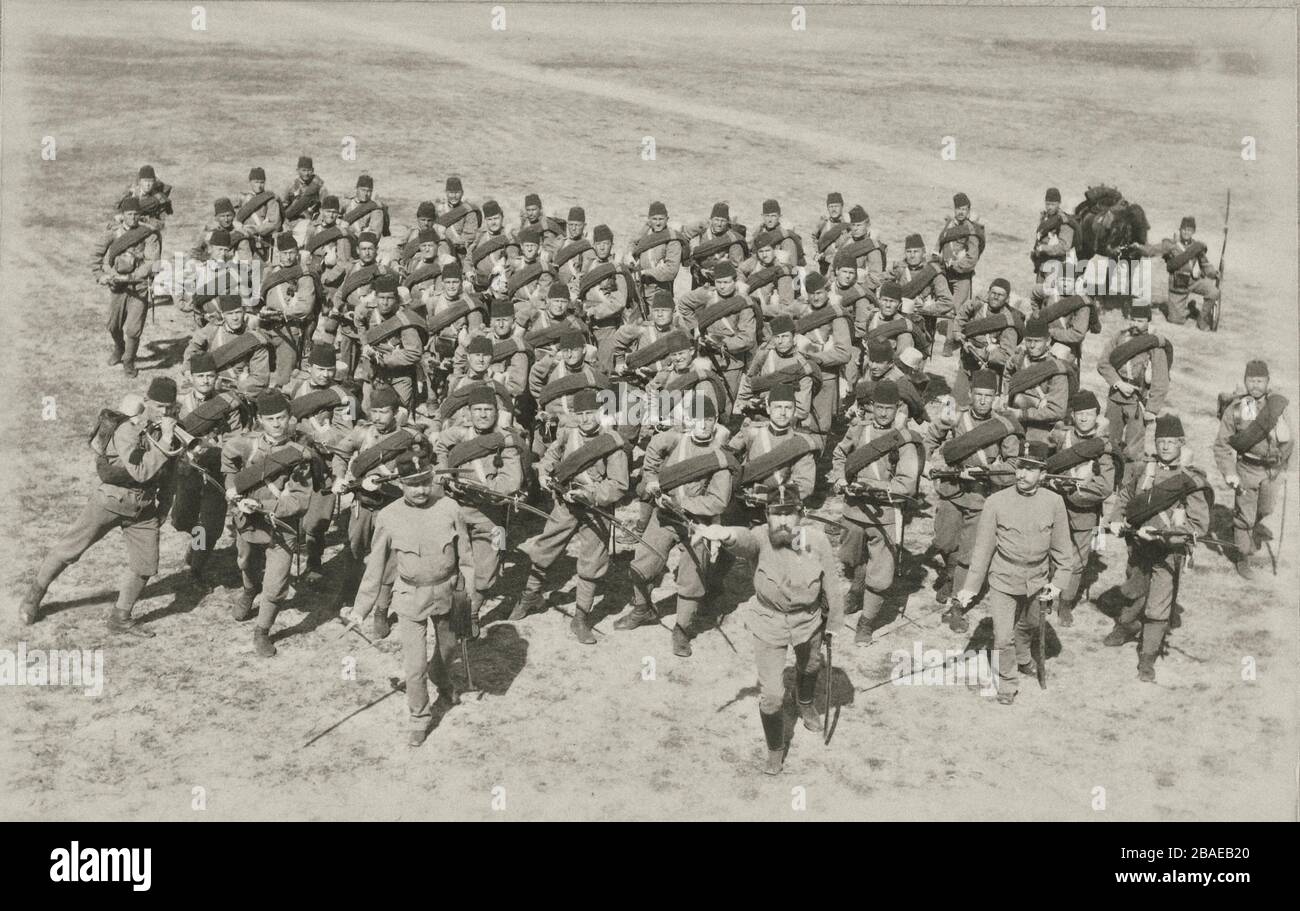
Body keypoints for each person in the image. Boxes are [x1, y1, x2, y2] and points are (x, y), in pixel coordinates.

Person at [693, 483, 844, 775]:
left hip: (808, 621)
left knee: (811, 664)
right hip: (769, 622)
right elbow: (743, 540)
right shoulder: (761, 537)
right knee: (772, 695)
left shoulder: (818, 540)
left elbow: (832, 584)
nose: (783, 521)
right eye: (776, 514)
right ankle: (775, 749)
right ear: (767, 514)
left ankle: (805, 702)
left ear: (801, 514)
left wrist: (833, 623)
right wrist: (725, 534)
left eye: (790, 514)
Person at [19, 378, 181, 633]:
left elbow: (170, 473)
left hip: (144, 508)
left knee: (145, 565)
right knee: (70, 550)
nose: (164, 412)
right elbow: (140, 471)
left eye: (169, 407)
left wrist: (165, 505)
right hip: (111, 501)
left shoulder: (170, 429)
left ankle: (120, 617)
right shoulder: (128, 429)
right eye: (159, 406)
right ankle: (34, 596)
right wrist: (167, 440)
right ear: (146, 402)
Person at [341, 451, 475, 747]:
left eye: (425, 481)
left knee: (449, 647)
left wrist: (470, 596)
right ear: (400, 483)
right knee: (414, 668)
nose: (421, 490)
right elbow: (375, 567)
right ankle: (419, 718)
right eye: (413, 484)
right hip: (410, 596)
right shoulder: (388, 516)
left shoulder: (450, 507)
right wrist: (360, 610)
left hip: (447, 592)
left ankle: (441, 676)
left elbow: (465, 556)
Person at [956, 439, 1078, 704]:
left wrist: (1057, 584)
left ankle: (1023, 657)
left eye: (1030, 469)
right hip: (1003, 579)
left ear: (1043, 474)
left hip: (1037, 580)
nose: (1022, 474)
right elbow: (983, 550)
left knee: (1031, 624)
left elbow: (1062, 550)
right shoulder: (996, 501)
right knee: (1002, 637)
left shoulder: (1055, 502)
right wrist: (970, 588)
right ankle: (1007, 684)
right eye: (1020, 467)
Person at [515, 388, 630, 642]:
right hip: (565, 503)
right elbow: (551, 455)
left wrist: (590, 495)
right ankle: (531, 595)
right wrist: (544, 474)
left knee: (592, 562)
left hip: (596, 508)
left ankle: (580, 618)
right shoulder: (568, 433)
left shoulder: (612, 443)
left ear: (601, 413)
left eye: (591, 413)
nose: (586, 419)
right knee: (546, 547)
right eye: (581, 414)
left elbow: (619, 485)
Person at [1102, 415, 1210, 682]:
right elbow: (1126, 497)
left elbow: (1199, 525)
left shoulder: (1189, 480)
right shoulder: (1142, 469)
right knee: (1133, 592)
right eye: (1161, 441)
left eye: (1171, 442)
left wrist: (1165, 536)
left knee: (1158, 606)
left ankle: (1147, 659)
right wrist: (1116, 520)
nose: (1165, 447)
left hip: (1167, 553)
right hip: (1138, 546)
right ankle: (1127, 626)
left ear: (1181, 444)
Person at [220, 389, 318, 656]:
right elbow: (228, 459)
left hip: (280, 528)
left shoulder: (299, 455)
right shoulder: (246, 444)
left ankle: (262, 630)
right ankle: (249, 591)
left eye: (282, 417)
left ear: (290, 418)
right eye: (270, 418)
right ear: (260, 420)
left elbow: (299, 501)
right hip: (248, 523)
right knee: (246, 563)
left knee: (276, 585)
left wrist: (263, 505)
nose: (277, 424)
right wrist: (232, 490)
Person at [830, 379, 921, 646]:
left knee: (880, 573)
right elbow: (838, 454)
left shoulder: (903, 441)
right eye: (879, 407)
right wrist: (839, 478)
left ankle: (867, 621)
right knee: (850, 556)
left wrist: (872, 485)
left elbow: (907, 484)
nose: (883, 414)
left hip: (884, 514)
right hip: (854, 510)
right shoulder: (859, 429)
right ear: (872, 407)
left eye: (889, 409)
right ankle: (857, 589)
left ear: (897, 409)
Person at [1213, 359, 1292, 578]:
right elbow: (1221, 444)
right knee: (1245, 516)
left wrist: (1283, 464)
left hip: (1272, 470)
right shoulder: (1238, 408)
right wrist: (1230, 472)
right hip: (1247, 468)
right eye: (1251, 380)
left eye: (1260, 380)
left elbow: (1291, 440)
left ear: (1268, 381)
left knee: (1266, 509)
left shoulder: (1277, 406)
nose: (1255, 385)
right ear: (1245, 381)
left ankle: (1244, 531)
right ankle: (1242, 556)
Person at [1097, 302, 1171, 488]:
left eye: (1141, 320)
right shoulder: (1119, 338)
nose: (1136, 324)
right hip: (1116, 396)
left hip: (1138, 402)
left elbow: (1160, 381)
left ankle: (1127, 488)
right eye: (1133, 319)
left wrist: (1152, 409)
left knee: (1133, 449)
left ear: (1148, 322)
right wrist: (1118, 383)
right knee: (1110, 442)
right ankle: (1108, 481)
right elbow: (1103, 363)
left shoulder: (1154, 346)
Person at [92, 197, 160, 378]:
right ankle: (119, 348)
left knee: (133, 329)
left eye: (136, 214)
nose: (133, 217)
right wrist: (101, 275)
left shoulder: (148, 234)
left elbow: (152, 261)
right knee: (113, 325)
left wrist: (134, 276)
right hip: (117, 287)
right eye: (129, 214)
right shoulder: (113, 233)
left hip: (139, 288)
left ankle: (129, 361)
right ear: (122, 216)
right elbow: (96, 255)